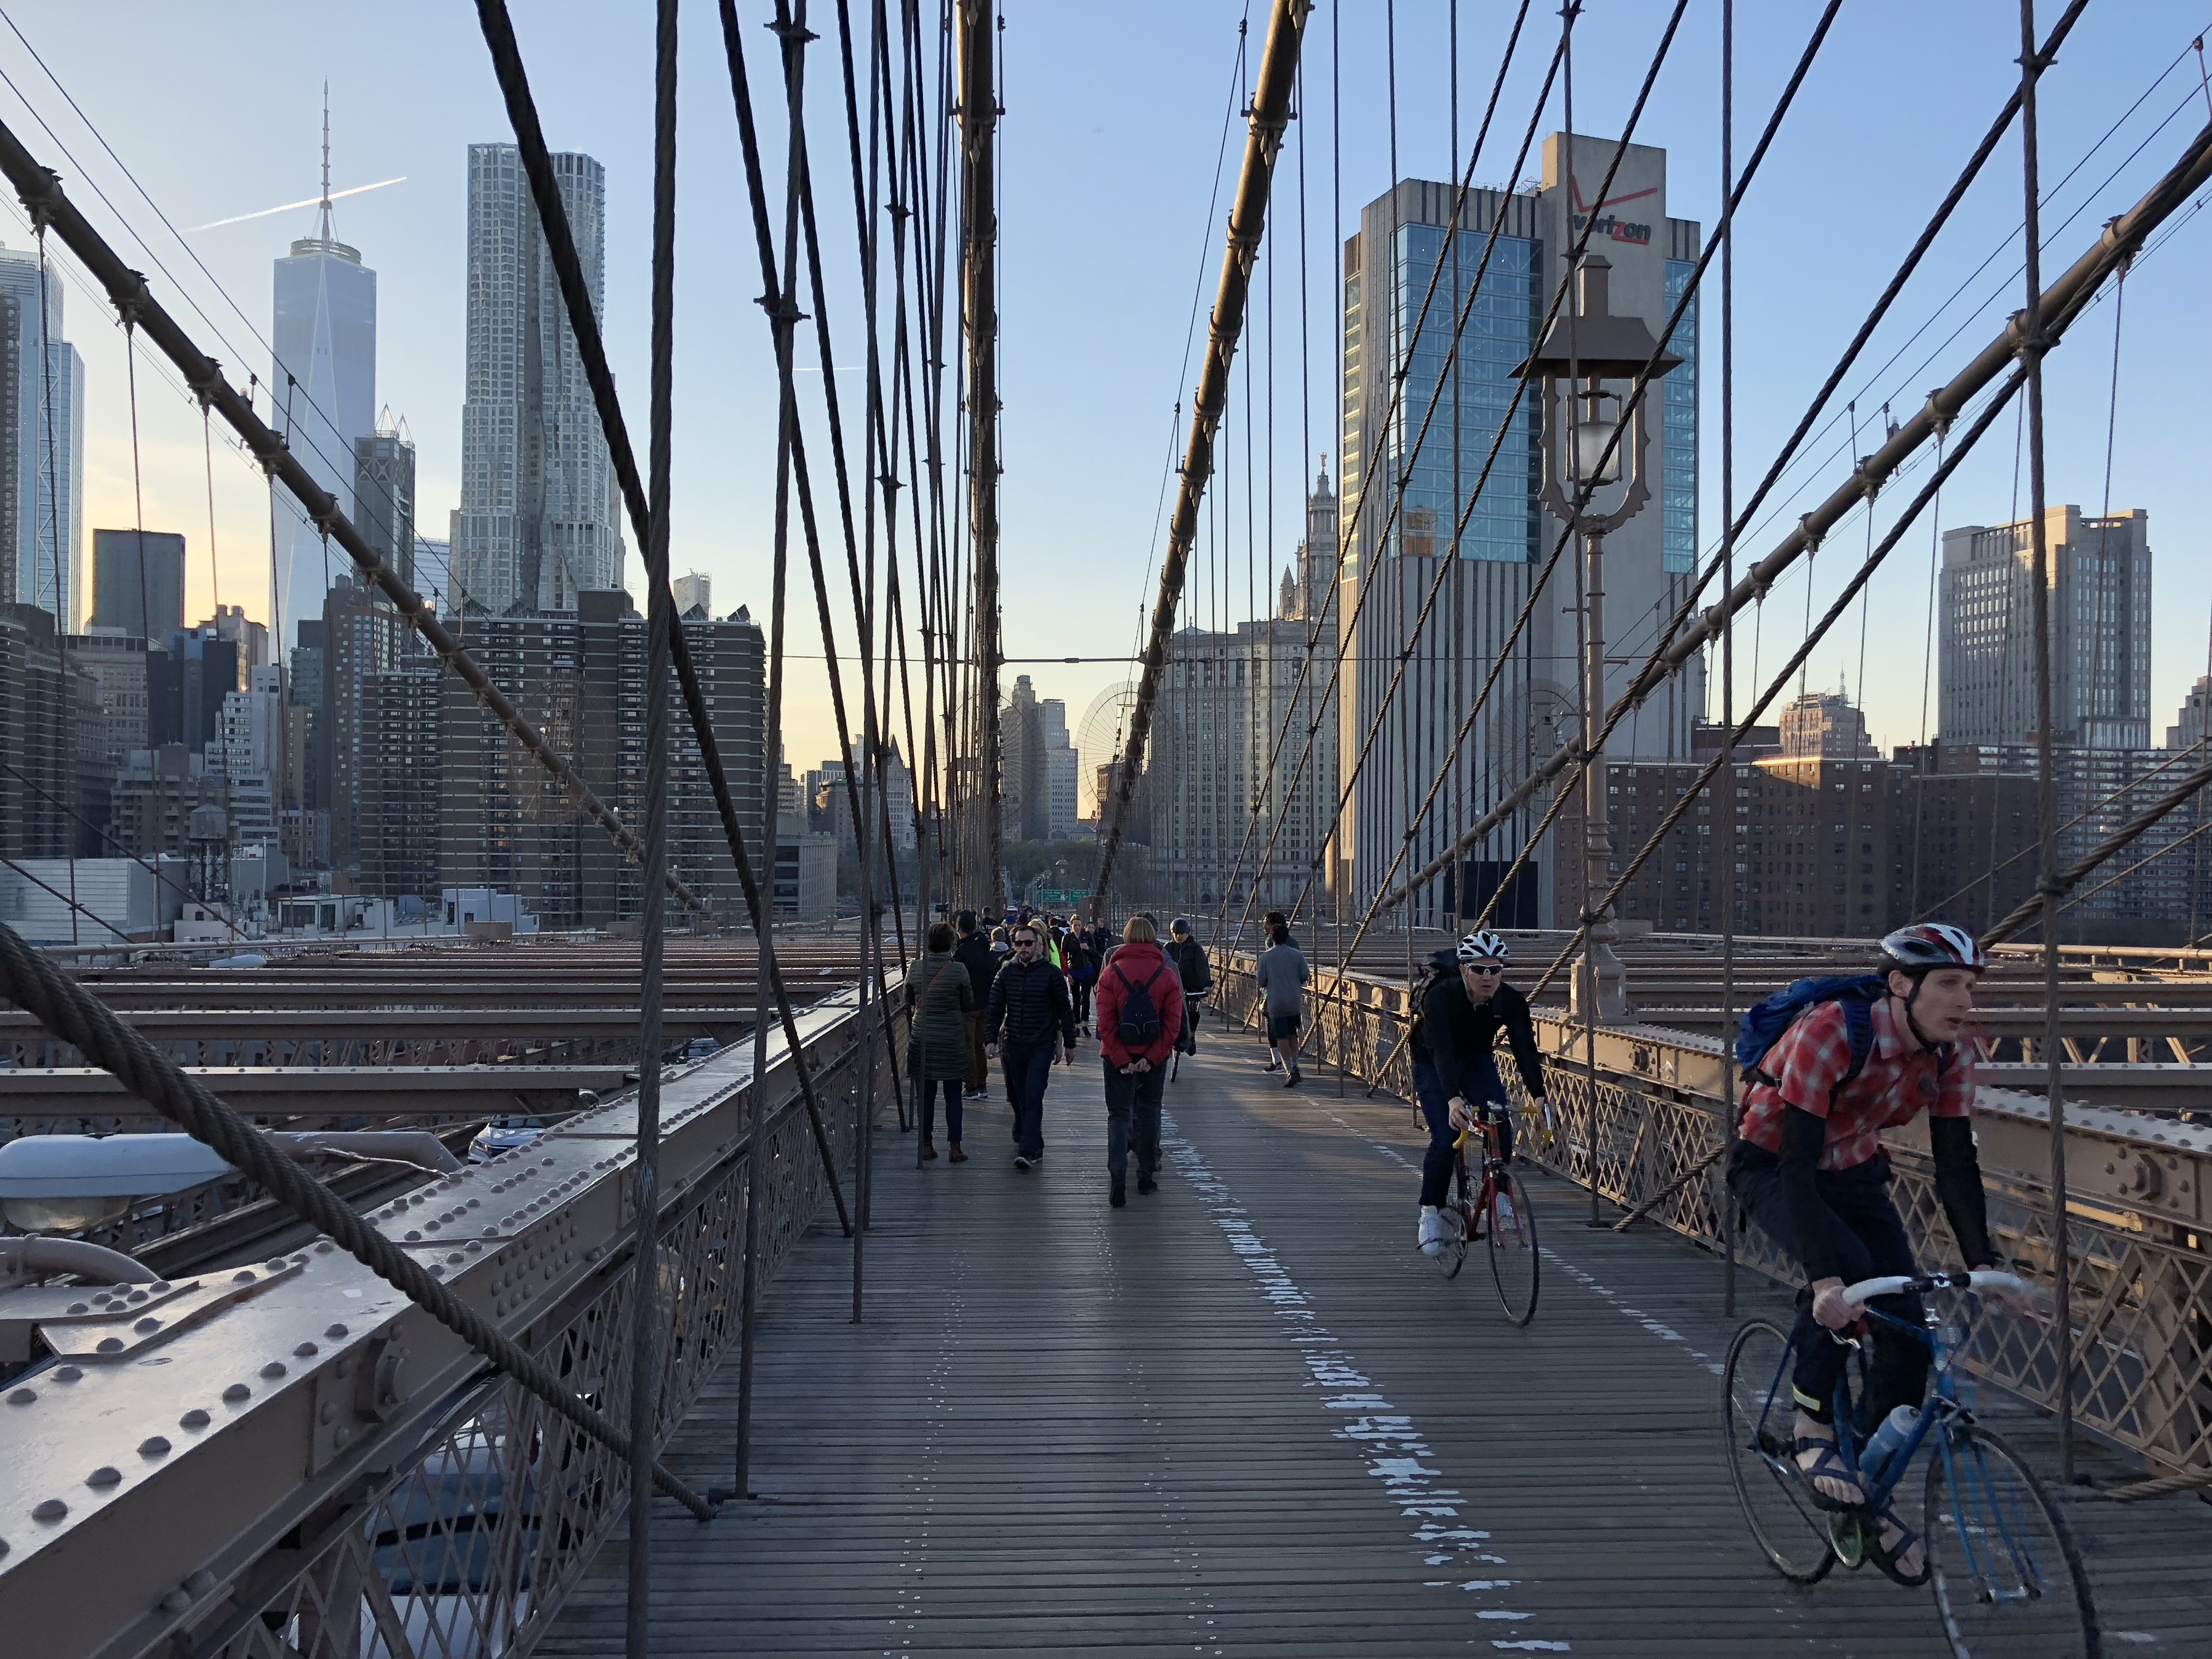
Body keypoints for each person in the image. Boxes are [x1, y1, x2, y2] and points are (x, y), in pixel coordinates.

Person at [1726, 922, 2029, 1586]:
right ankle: (1811, 1428)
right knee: (1848, 1280)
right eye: (1948, 984)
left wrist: (1984, 1263)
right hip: (1776, 1166)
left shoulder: (1951, 1053)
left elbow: (1956, 1164)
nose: (1964, 1001)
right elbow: (1798, 1166)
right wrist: (1825, 1279)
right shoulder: (1832, 1030)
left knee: (1908, 1337)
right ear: (1899, 984)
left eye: (1970, 986)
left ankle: (1862, 1493)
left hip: (1857, 1173)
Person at [1412, 932, 1546, 1258]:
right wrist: (1453, 1098)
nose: (1487, 977)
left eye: (1495, 970)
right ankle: (1430, 1210)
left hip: (1476, 1060)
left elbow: (1524, 1047)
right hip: (1432, 1061)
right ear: (1463, 970)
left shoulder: (1510, 1001)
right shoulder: (1440, 997)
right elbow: (1441, 1050)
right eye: (1478, 969)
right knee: (1446, 1136)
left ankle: (1500, 1196)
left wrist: (1539, 1094)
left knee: (1499, 1119)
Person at [1094, 914, 1184, 1207]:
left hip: (1117, 1056)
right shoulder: (1166, 974)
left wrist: (1122, 1058)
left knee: (1119, 1114)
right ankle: (1145, 1177)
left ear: (1126, 937)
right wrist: (1151, 1057)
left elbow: (1105, 1023)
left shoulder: (1110, 973)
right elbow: (1173, 1024)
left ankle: (1118, 1174)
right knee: (1149, 1111)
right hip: (1152, 1056)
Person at [985, 919, 1077, 1170]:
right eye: (1019, 944)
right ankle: (1026, 1130)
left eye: (1029, 943)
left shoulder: (1051, 974)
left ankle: (1029, 1150)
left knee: (1034, 1095)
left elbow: (1064, 1010)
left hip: (1041, 1043)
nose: (1024, 948)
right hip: (1013, 1042)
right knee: (1018, 1097)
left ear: (1038, 945)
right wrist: (990, 1039)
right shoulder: (1006, 972)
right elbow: (995, 1007)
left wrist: (1069, 1043)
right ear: (1014, 946)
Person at [904, 920, 975, 1163]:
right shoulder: (959, 970)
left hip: (922, 1037)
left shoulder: (916, 967)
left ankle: (926, 1144)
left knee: (926, 1096)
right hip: (951, 1039)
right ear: (952, 943)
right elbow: (968, 1002)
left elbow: (908, 998)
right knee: (954, 1095)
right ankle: (955, 1147)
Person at [1254, 919, 1309, 1087]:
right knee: (1292, 1034)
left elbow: (1261, 981)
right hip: (1294, 1001)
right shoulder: (1297, 955)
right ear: (1287, 937)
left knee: (1281, 1038)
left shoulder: (1266, 957)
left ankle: (1289, 1071)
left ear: (1272, 938)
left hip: (1276, 1002)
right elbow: (1304, 976)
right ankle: (1296, 1066)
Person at [952, 910, 997, 1101]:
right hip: (985, 1003)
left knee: (967, 1046)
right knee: (980, 1045)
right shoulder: (984, 945)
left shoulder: (961, 952)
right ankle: (982, 1084)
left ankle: (970, 1086)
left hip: (968, 1005)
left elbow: (958, 980)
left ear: (958, 927)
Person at [1165, 918, 1212, 1079]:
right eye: (1175, 933)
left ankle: (1191, 1037)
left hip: (1192, 986)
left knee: (1193, 1012)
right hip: (1173, 987)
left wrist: (1206, 985)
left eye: (1181, 933)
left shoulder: (1196, 949)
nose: (1178, 936)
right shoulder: (1168, 948)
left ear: (1187, 933)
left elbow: (1202, 967)